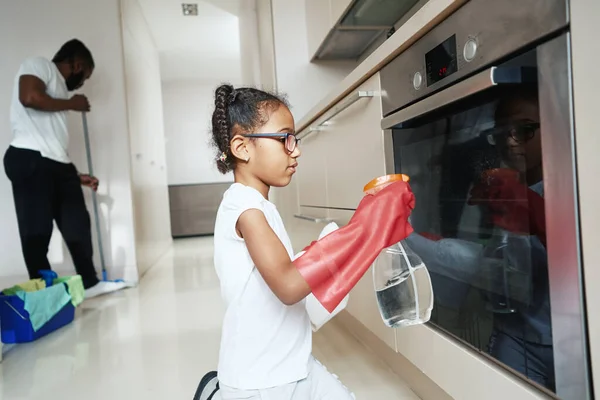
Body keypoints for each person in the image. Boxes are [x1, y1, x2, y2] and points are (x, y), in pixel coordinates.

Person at [194, 84, 415, 400]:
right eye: (285, 139)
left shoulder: (260, 207)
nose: (295, 149)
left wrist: (372, 234)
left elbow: (295, 286)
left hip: (295, 366)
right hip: (261, 383)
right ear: (242, 148)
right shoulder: (244, 209)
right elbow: (287, 285)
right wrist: (363, 228)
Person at [3, 39, 126, 299]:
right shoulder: (39, 65)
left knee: (77, 224)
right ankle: (44, 291)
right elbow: (29, 97)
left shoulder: (58, 90)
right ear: (77, 65)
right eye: (85, 77)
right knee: (37, 231)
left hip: (56, 164)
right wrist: (73, 103)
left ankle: (90, 284)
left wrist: (75, 176)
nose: (82, 84)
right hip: (28, 156)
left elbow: (50, 140)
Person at [470, 86, 554, 390]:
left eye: (524, 130)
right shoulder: (501, 188)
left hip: (571, 339)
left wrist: (533, 210)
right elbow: (498, 252)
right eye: (501, 132)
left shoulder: (576, 183)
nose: (510, 140)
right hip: (514, 333)